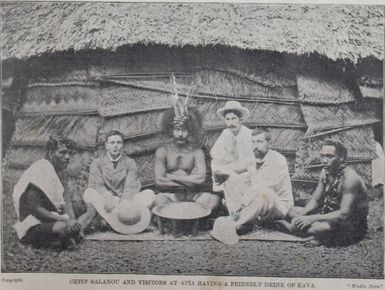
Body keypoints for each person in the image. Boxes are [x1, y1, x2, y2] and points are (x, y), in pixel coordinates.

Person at [210, 128, 294, 244]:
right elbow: (236, 169)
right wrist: (223, 175)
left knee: (265, 192)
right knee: (230, 178)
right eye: (253, 142)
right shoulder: (253, 158)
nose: (255, 146)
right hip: (257, 203)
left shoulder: (278, 160)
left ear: (269, 143)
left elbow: (260, 187)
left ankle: (233, 223)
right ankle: (243, 220)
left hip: (279, 206)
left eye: (259, 142)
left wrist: (241, 205)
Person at [279, 140, 369, 246]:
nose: (324, 160)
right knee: (292, 210)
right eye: (322, 156)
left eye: (329, 156)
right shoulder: (325, 172)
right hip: (329, 214)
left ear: (341, 157)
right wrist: (302, 216)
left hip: (351, 225)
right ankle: (305, 230)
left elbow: (344, 214)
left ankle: (298, 230)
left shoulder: (350, 179)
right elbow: (316, 200)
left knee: (317, 228)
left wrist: (311, 218)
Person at [78, 130, 156, 235]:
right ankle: (118, 220)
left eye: (118, 143)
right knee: (89, 192)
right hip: (107, 202)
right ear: (106, 145)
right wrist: (107, 195)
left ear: (122, 145)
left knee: (149, 194)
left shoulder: (130, 162)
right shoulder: (97, 163)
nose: (115, 146)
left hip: (126, 202)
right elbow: (97, 184)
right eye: (112, 143)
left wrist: (125, 201)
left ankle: (113, 220)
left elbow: (131, 186)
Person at [12, 135, 81, 249]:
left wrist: (72, 220)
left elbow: (66, 197)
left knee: (74, 226)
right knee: (63, 228)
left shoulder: (60, 171)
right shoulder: (39, 171)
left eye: (69, 153)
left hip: (50, 219)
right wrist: (65, 220)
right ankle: (51, 241)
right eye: (62, 153)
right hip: (33, 222)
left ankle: (57, 240)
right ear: (51, 154)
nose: (68, 157)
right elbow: (36, 209)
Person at [154, 98, 220, 210]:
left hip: (194, 196)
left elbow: (200, 179)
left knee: (213, 199)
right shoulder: (162, 151)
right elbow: (159, 181)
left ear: (190, 131)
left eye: (184, 130)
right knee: (159, 199)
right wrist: (188, 181)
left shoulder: (197, 152)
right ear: (171, 131)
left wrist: (171, 177)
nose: (180, 134)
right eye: (177, 130)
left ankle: (191, 217)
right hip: (172, 196)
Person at [210, 101, 255, 192]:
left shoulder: (248, 134)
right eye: (228, 119)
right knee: (215, 163)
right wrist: (226, 156)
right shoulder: (226, 133)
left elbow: (251, 159)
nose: (231, 123)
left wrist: (238, 167)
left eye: (234, 118)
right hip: (230, 166)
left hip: (245, 168)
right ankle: (221, 193)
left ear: (240, 119)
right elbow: (214, 152)